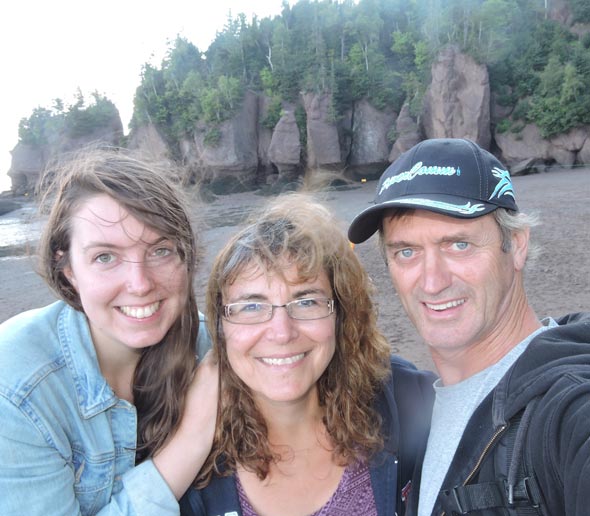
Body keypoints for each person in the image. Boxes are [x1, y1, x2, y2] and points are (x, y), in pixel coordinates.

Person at [348, 137, 590, 515]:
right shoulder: (413, 416)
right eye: (406, 252)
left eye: (458, 245)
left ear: (517, 244)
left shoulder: (567, 411)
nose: (432, 282)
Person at [180, 193, 435, 516]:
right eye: (252, 306)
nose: (282, 332)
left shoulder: (409, 401)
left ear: (340, 316)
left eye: (306, 302)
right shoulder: (188, 465)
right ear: (220, 327)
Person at [0, 149, 218, 515]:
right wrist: (193, 437)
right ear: (69, 269)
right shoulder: (17, 388)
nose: (140, 284)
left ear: (186, 256)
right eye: (105, 257)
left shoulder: (210, 347)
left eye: (161, 250)